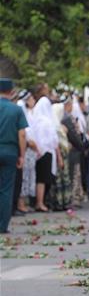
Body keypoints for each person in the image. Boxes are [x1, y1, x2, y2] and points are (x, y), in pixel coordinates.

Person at [0, 78, 27, 233]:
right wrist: (21, 155)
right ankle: (2, 225)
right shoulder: (16, 110)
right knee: (6, 189)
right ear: (10, 92)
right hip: (10, 151)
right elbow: (22, 134)